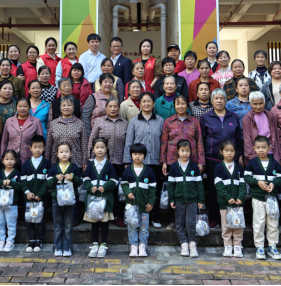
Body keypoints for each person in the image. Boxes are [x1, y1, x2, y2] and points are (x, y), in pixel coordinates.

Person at [200, 88, 243, 230]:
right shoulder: (206, 117)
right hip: (212, 159)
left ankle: (231, 216)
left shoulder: (233, 116)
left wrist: (240, 155)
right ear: (211, 101)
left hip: (231, 160)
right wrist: (202, 159)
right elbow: (201, 139)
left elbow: (239, 138)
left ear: (226, 100)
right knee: (213, 189)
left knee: (231, 188)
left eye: (221, 98)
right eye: (216, 98)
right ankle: (214, 218)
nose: (219, 101)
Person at [160, 95, 205, 231]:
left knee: (190, 189)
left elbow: (199, 142)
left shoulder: (194, 122)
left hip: (191, 162)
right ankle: (174, 221)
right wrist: (163, 162)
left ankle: (189, 221)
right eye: (178, 104)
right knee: (175, 190)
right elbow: (164, 142)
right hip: (172, 162)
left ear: (187, 105)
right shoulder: (168, 122)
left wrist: (201, 162)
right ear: (174, 106)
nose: (180, 106)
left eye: (183, 103)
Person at [123, 92, 164, 229]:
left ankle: (155, 216)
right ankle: (135, 216)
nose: (146, 104)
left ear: (153, 104)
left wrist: (163, 161)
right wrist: (127, 162)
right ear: (139, 104)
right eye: (144, 101)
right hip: (137, 163)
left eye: (149, 101)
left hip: (155, 162)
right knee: (137, 191)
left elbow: (164, 142)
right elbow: (129, 143)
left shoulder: (160, 120)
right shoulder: (134, 121)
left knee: (154, 190)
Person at [86, 98, 128, 226]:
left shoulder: (125, 123)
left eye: (115, 106)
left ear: (119, 108)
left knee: (116, 189)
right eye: (110, 106)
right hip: (102, 162)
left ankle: (117, 215)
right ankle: (101, 213)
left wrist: (127, 161)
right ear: (106, 108)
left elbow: (128, 143)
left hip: (119, 161)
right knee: (101, 188)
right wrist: (90, 158)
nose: (113, 109)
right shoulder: (99, 121)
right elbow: (92, 140)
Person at [244, 136, 281, 261]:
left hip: (272, 199)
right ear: (254, 148)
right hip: (258, 198)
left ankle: (272, 246)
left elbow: (280, 177)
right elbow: (247, 177)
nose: (261, 150)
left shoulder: (274, 163)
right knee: (259, 223)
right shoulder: (252, 163)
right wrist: (257, 182)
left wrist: (274, 184)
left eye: (264, 147)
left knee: (273, 223)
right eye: (258, 147)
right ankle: (259, 247)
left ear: (269, 148)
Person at [168, 139, 205, 258]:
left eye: (187, 151)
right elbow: (171, 185)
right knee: (179, 223)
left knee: (190, 223)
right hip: (178, 201)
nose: (185, 153)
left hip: (192, 201)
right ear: (178, 151)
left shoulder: (194, 167)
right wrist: (171, 199)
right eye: (182, 150)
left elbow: (199, 185)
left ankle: (192, 244)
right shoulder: (174, 167)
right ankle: (184, 243)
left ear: (190, 152)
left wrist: (200, 200)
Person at [46, 142, 83, 257]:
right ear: (57, 154)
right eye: (61, 152)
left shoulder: (74, 167)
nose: (64, 154)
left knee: (68, 224)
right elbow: (48, 183)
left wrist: (73, 177)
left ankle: (67, 247)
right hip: (56, 199)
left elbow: (80, 181)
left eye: (66, 151)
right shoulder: (53, 169)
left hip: (70, 199)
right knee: (58, 224)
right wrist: (55, 179)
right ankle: (57, 247)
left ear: (71, 153)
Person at [84, 138, 118, 259]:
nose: (100, 150)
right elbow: (85, 180)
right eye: (97, 147)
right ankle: (94, 245)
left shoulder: (109, 165)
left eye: (102, 147)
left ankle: (103, 245)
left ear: (106, 149)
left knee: (104, 222)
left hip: (105, 200)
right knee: (94, 222)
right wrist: (90, 187)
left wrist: (106, 187)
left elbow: (114, 181)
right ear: (93, 149)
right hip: (93, 200)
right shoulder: (90, 165)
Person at [121, 143, 156, 258]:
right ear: (131, 155)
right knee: (132, 226)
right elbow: (124, 184)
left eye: (140, 154)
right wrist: (128, 192)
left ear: (144, 155)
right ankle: (133, 245)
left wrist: (151, 202)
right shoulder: (127, 170)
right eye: (135, 154)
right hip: (131, 205)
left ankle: (142, 245)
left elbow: (153, 188)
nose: (137, 156)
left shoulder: (149, 171)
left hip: (145, 205)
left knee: (144, 226)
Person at [214, 140, 246, 259]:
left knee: (238, 225)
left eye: (232, 151)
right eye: (226, 150)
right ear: (221, 152)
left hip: (238, 203)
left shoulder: (239, 167)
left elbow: (243, 184)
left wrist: (240, 197)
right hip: (225, 203)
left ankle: (237, 245)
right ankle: (227, 245)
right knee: (226, 225)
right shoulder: (219, 167)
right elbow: (218, 185)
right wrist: (228, 198)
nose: (229, 153)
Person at [20, 135, 51, 254]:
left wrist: (41, 194)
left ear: (44, 148)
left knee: (41, 218)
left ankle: (39, 239)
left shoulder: (47, 163)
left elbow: (47, 181)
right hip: (29, 198)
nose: (37, 149)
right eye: (35, 147)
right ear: (30, 148)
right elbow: (23, 181)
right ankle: (31, 239)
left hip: (41, 198)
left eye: (40, 147)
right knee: (29, 218)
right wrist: (27, 192)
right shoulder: (26, 164)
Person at [0, 149, 22, 253]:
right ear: (3, 160)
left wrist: (11, 183)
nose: (9, 161)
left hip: (12, 203)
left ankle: (10, 241)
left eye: (12, 159)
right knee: (0, 222)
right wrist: (2, 182)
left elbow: (20, 187)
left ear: (16, 160)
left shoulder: (17, 173)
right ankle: (1, 241)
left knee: (11, 223)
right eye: (7, 159)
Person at [46, 96, 88, 169]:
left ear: (73, 108)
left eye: (69, 105)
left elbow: (84, 144)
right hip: (56, 163)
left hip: (76, 162)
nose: (66, 107)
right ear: (60, 107)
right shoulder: (53, 124)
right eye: (64, 105)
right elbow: (49, 144)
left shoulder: (80, 123)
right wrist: (46, 161)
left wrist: (85, 161)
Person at [242, 91, 281, 164]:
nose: (258, 106)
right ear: (250, 104)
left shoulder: (270, 116)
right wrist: (253, 157)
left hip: (271, 152)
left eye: (261, 103)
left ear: (264, 103)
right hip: (256, 155)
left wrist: (279, 155)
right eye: (255, 104)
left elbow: (276, 136)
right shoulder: (247, 119)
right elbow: (247, 141)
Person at [1, 97, 44, 162]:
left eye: (25, 106)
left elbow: (40, 142)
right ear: (16, 107)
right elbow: (4, 142)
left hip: (29, 158)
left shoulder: (36, 121)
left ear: (29, 108)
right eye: (20, 106)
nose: (22, 108)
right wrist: (2, 158)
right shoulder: (9, 121)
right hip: (10, 159)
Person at [82, 73, 114, 139]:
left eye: (110, 82)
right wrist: (89, 135)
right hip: (96, 135)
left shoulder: (115, 99)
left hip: (112, 134)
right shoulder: (93, 97)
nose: (108, 84)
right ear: (100, 84)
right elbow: (85, 117)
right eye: (105, 82)